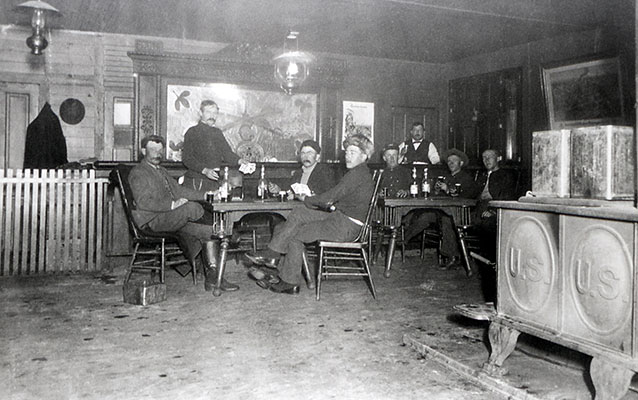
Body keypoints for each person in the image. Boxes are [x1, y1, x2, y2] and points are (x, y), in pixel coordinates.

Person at [245, 133, 375, 295]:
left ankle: (283, 274)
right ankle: (274, 261)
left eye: (353, 153)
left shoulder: (357, 175)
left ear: (364, 156)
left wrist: (307, 198)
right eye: (347, 152)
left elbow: (329, 198)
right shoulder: (358, 173)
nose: (348, 156)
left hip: (346, 226)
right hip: (339, 218)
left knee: (293, 232)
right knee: (297, 216)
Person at [128, 135, 239, 292]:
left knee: (210, 232)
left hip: (169, 218)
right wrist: (173, 204)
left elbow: (180, 191)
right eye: (153, 150)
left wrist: (208, 194)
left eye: (160, 150)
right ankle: (229, 231)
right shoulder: (139, 172)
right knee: (191, 208)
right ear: (143, 150)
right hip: (152, 221)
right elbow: (144, 202)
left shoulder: (162, 171)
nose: (157, 154)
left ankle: (213, 278)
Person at [403, 148, 480, 269]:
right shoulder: (446, 177)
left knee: (446, 220)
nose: (450, 163)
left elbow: (469, 197)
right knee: (425, 216)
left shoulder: (466, 178)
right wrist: (437, 191)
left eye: (454, 161)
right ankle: (403, 241)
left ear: (460, 163)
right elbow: (438, 196)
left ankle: (453, 257)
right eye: (449, 161)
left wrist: (448, 190)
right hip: (444, 211)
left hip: (460, 213)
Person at [182, 100, 250, 192]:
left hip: (214, 180)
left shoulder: (217, 133)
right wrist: (205, 171)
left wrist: (240, 161)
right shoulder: (192, 132)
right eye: (208, 112)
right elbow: (187, 158)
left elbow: (227, 153)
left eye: (215, 113)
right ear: (200, 113)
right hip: (196, 182)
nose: (212, 116)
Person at [268, 139, 336, 199]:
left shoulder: (326, 173)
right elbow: (289, 191)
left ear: (317, 157)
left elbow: (326, 197)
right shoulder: (298, 173)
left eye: (310, 153)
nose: (306, 156)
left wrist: (296, 196)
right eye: (303, 153)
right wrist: (279, 190)